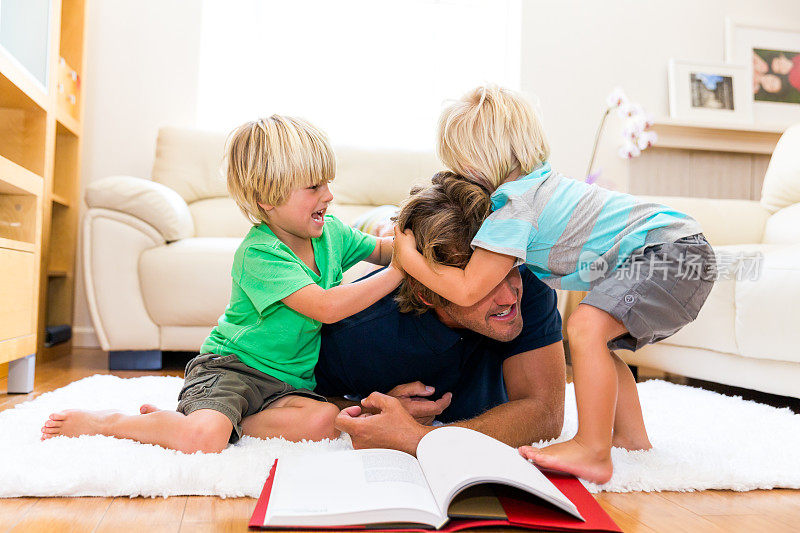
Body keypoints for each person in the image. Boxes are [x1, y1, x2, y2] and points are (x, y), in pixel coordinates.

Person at [393, 85, 716, 484]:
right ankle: (629, 438)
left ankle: (593, 450)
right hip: (682, 249)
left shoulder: (515, 208)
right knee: (599, 342)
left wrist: (407, 257)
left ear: (474, 164)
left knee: (584, 329)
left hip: (669, 251)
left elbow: (466, 289)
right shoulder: (541, 184)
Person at [41, 115, 402, 452]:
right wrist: (397, 273)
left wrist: (400, 236)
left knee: (326, 421)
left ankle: (199, 422)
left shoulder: (332, 233)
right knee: (205, 440)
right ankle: (110, 423)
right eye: (313, 187)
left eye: (327, 182)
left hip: (289, 383)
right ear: (267, 198)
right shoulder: (260, 254)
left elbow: (387, 250)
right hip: (232, 370)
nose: (328, 195)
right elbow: (326, 306)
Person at [324, 171, 566, 456]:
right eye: (483, 286)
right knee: (382, 229)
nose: (510, 296)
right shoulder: (355, 332)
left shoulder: (530, 278)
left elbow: (545, 413)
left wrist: (420, 437)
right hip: (371, 253)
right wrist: (368, 406)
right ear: (428, 295)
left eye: (507, 268)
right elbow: (294, 397)